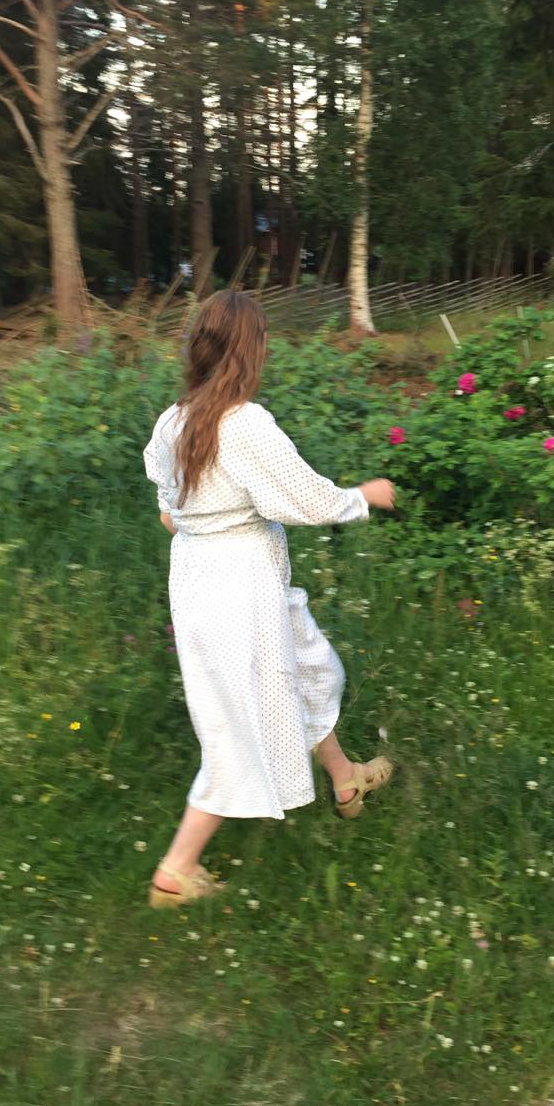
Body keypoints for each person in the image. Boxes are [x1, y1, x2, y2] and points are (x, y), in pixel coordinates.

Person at [142, 290, 397, 909]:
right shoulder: (243, 423)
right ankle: (176, 869)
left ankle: (344, 778)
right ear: (250, 350)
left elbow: (169, 515)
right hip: (240, 591)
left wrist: (206, 524)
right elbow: (305, 500)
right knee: (237, 725)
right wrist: (365, 496)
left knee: (307, 671)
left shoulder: (174, 421)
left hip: (208, 582)